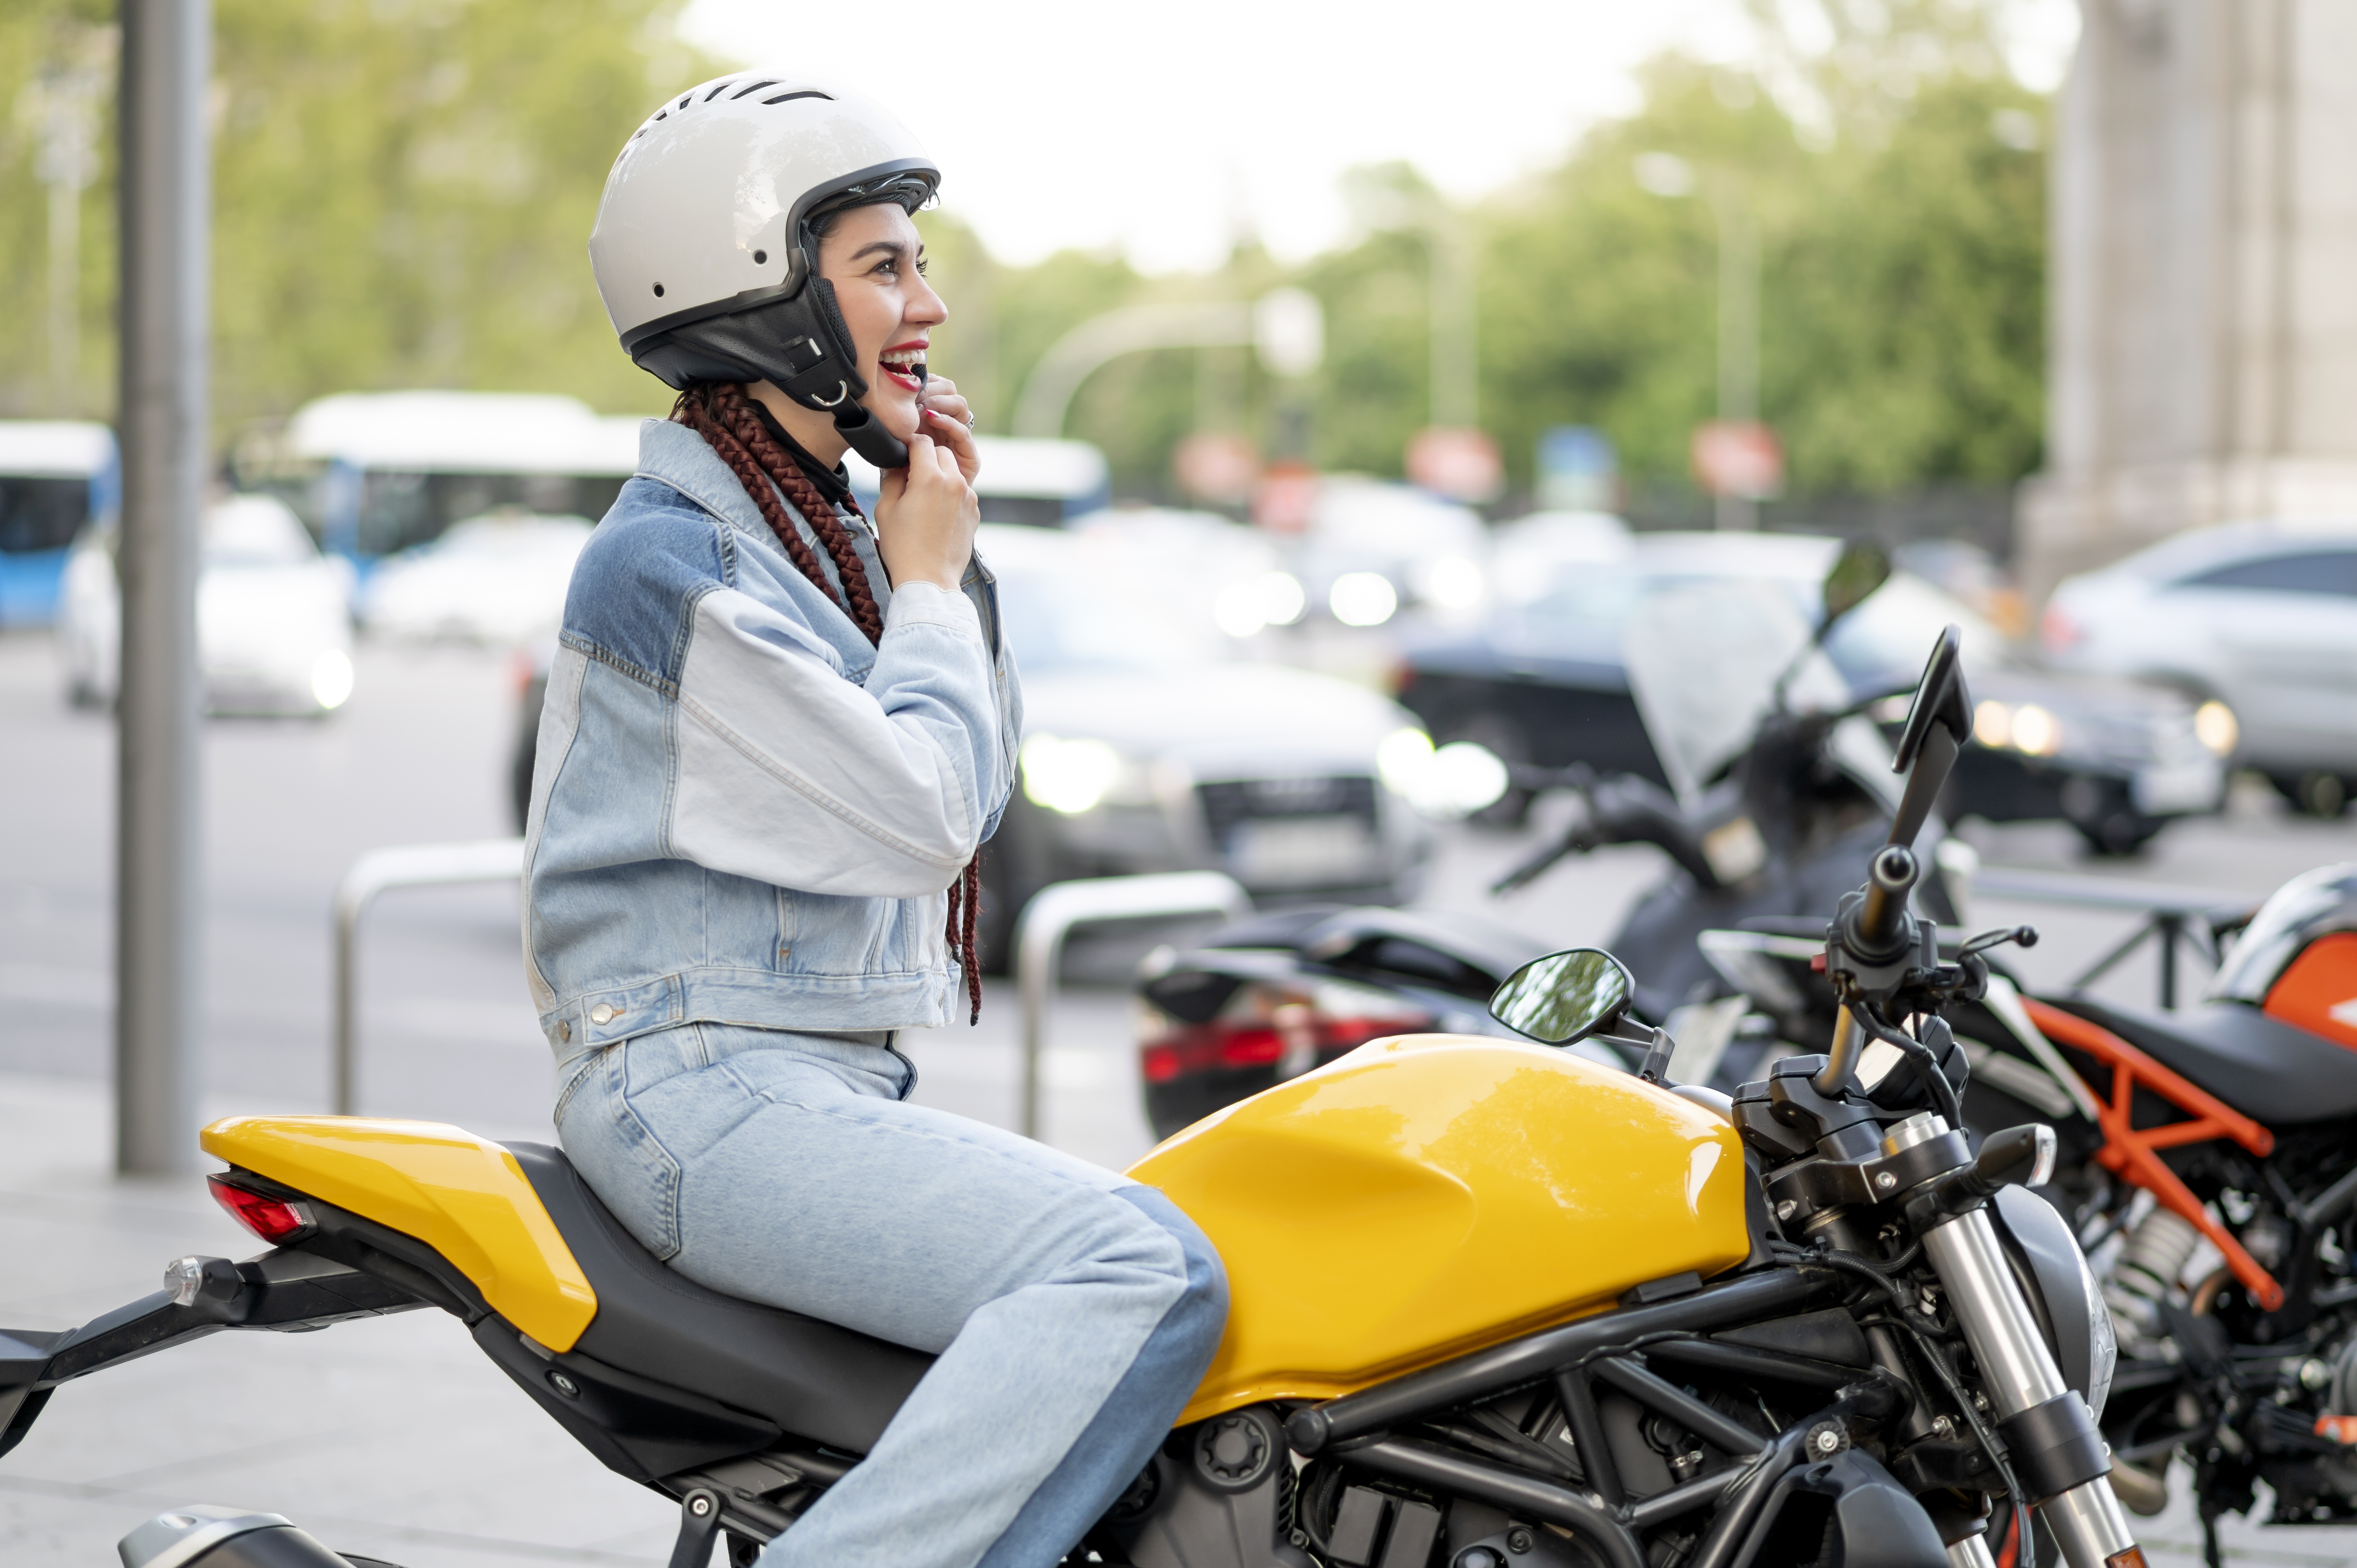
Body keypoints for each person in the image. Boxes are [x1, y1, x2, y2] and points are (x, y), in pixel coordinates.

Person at [525, 73, 1228, 1568]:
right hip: (697, 1094)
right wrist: (924, 582)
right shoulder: (670, 567)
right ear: (762, 296)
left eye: (919, 261)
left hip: (810, 1087)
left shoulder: (829, 529)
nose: (933, 304)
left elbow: (969, 789)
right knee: (1132, 1266)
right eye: (885, 266)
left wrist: (944, 552)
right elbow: (920, 823)